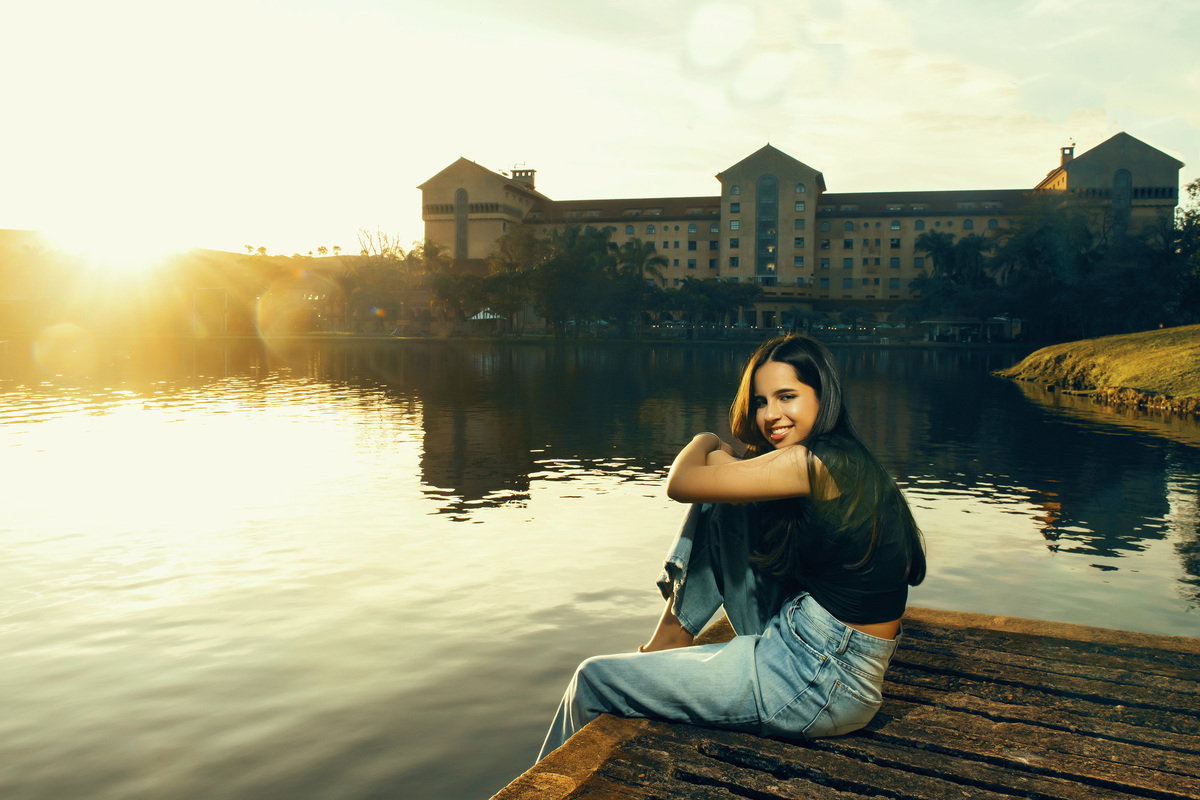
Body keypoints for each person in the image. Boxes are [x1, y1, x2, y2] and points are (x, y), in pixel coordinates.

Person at [537, 334, 926, 761]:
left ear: (823, 396)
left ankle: (666, 642)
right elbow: (729, 481)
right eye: (761, 401)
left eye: (787, 396)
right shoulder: (848, 459)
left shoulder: (812, 463)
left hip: (813, 680)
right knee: (726, 503)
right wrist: (729, 466)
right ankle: (668, 641)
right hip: (832, 667)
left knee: (593, 680)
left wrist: (706, 439)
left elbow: (680, 483)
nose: (771, 414)